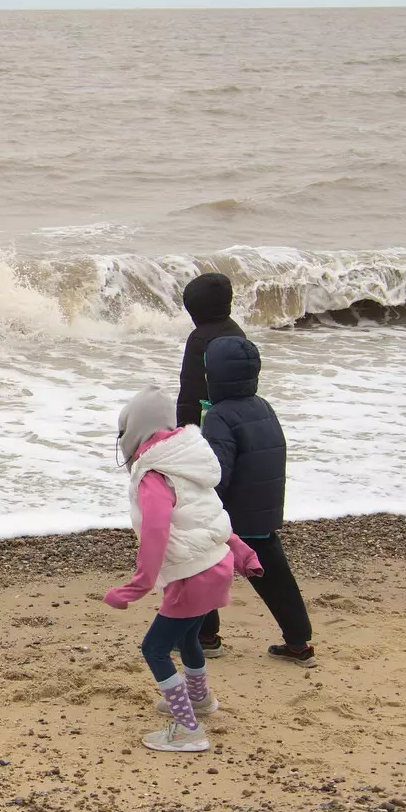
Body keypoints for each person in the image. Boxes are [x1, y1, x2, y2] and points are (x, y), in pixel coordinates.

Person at [103, 387, 262, 752]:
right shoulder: (186, 460)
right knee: (186, 638)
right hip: (216, 566)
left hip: (193, 574)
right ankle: (201, 700)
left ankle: (188, 729)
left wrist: (136, 586)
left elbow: (156, 532)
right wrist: (242, 552)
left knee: (154, 649)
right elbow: (209, 517)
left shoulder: (154, 474)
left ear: (134, 432)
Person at [201, 337, 314, 665]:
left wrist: (204, 507)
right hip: (262, 513)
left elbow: (218, 472)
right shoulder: (264, 407)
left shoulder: (219, 416)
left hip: (232, 517)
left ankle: (206, 638)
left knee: (203, 569)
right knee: (278, 581)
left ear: (217, 377)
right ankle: (298, 643)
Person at [175, 272, 246, 656]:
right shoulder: (237, 333)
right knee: (221, 529)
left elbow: (189, 395)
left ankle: (207, 635)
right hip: (235, 432)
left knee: (198, 533)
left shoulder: (200, 339)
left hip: (205, 440)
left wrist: (180, 439)